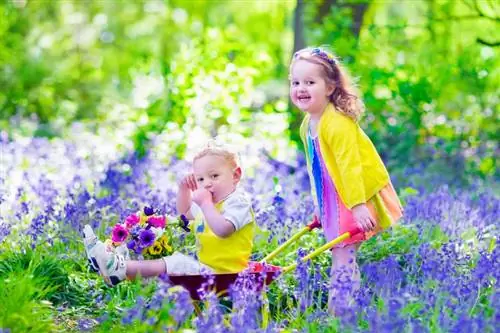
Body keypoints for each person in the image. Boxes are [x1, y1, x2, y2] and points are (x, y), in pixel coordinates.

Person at [289, 46, 403, 314]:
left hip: (354, 196)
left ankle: (340, 314)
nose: (300, 88)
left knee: (343, 254)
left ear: (329, 87)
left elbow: (350, 168)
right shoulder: (308, 124)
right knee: (342, 254)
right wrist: (319, 204)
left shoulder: (337, 123)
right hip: (334, 196)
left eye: (310, 82)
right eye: (295, 82)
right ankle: (345, 311)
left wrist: (358, 205)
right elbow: (314, 168)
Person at [83, 141, 255, 286]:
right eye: (201, 179)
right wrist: (184, 189)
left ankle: (119, 268)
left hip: (228, 276)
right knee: (173, 262)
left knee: (176, 262)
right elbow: (184, 213)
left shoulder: (237, 202)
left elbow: (224, 229)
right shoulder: (208, 205)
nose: (207, 184)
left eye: (214, 176)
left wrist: (206, 203)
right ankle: (115, 261)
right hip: (209, 270)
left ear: (236, 175)